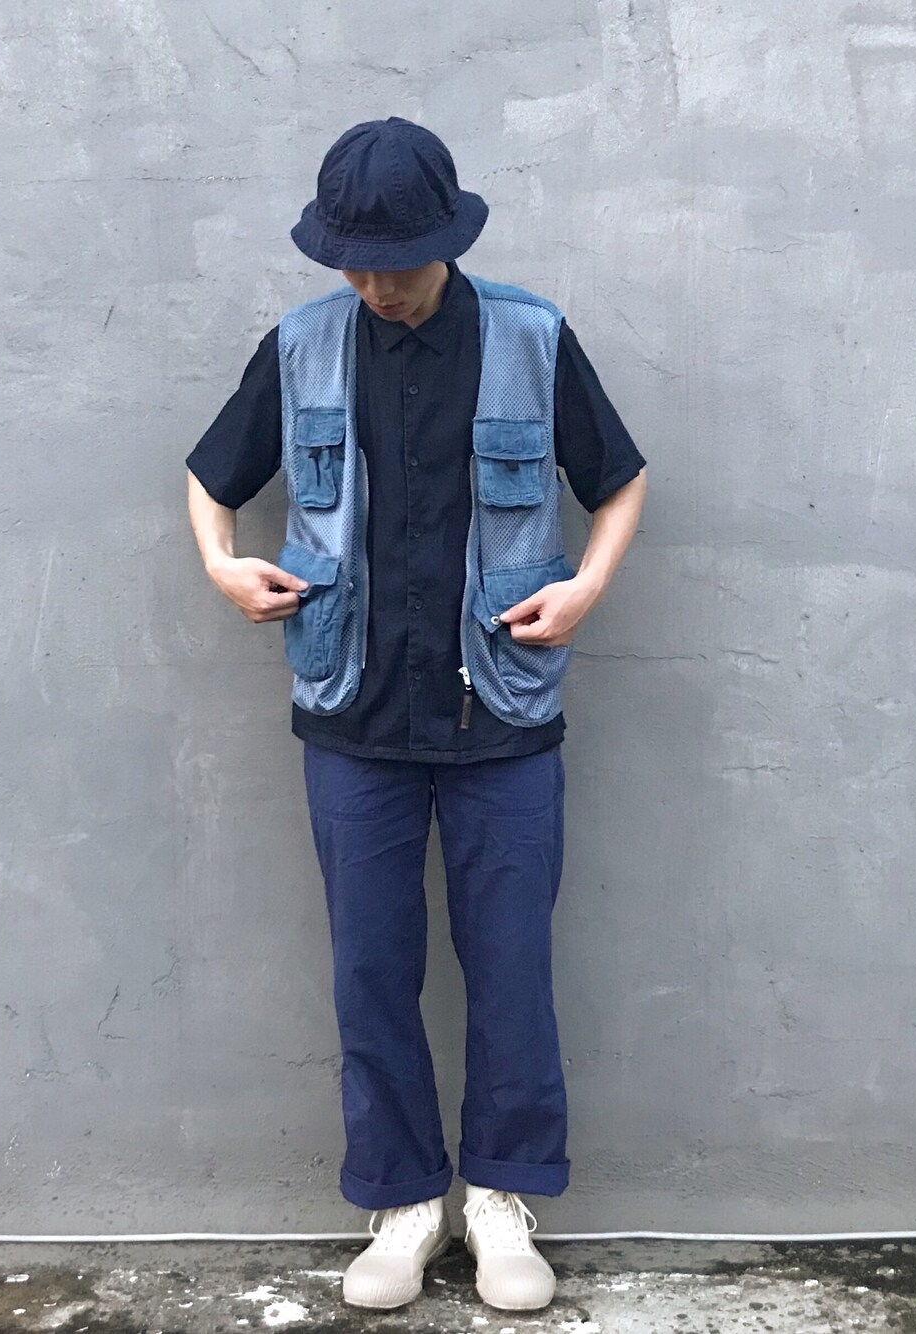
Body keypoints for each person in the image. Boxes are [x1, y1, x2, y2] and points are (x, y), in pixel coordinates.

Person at [186, 116, 647, 1313]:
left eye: (395, 263)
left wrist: (586, 587)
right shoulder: (302, 344)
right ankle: (400, 1202)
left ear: (448, 238)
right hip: (354, 710)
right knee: (370, 969)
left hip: (503, 711)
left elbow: (618, 477)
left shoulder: (532, 338)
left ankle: (499, 1199)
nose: (376, 287)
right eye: (355, 264)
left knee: (511, 966)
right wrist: (222, 564)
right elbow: (211, 474)